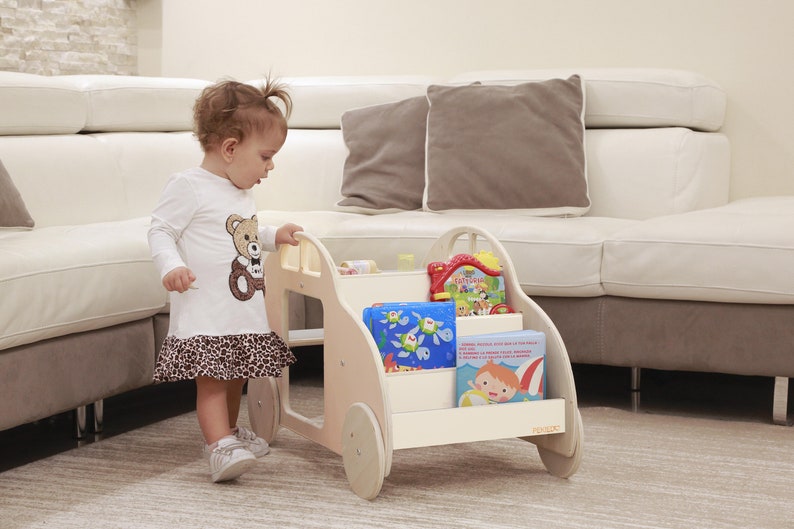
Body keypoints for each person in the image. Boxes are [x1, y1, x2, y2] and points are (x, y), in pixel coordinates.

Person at [148, 78, 302, 483]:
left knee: (235, 373)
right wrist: (170, 266)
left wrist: (272, 236)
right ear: (231, 149)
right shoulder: (188, 186)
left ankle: (230, 433)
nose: (271, 166)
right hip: (207, 308)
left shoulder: (239, 190)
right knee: (214, 381)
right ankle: (217, 445)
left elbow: (243, 235)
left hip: (241, 306)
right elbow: (160, 230)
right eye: (266, 156)